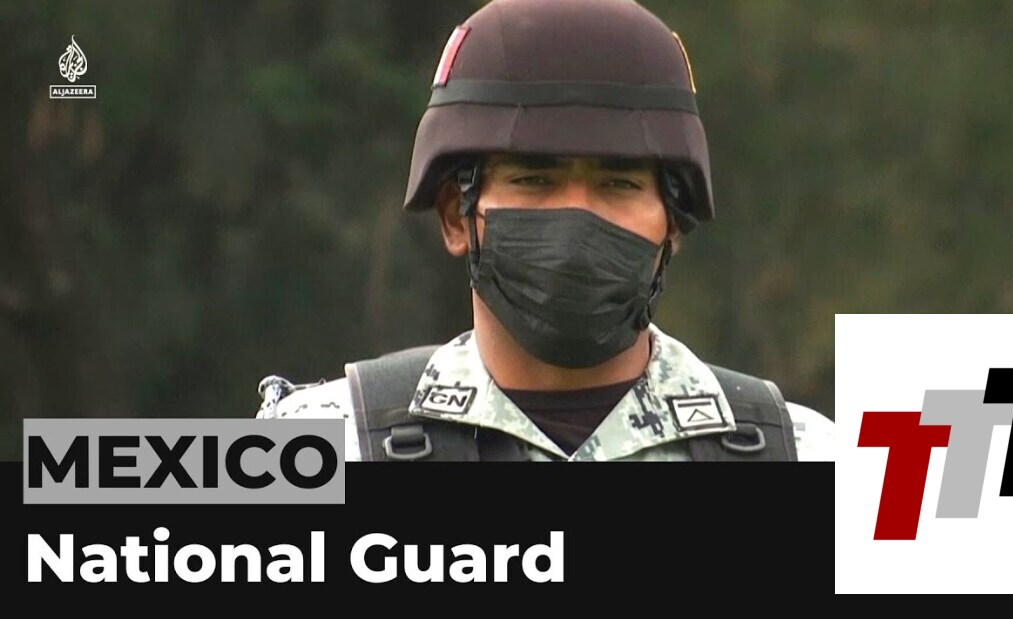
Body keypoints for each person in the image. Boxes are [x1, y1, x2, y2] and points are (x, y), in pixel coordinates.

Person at [255, 0, 835, 462]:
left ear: (673, 226)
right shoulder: (315, 446)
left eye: (619, 184)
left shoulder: (816, 458)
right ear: (456, 216)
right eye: (534, 179)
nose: (578, 216)